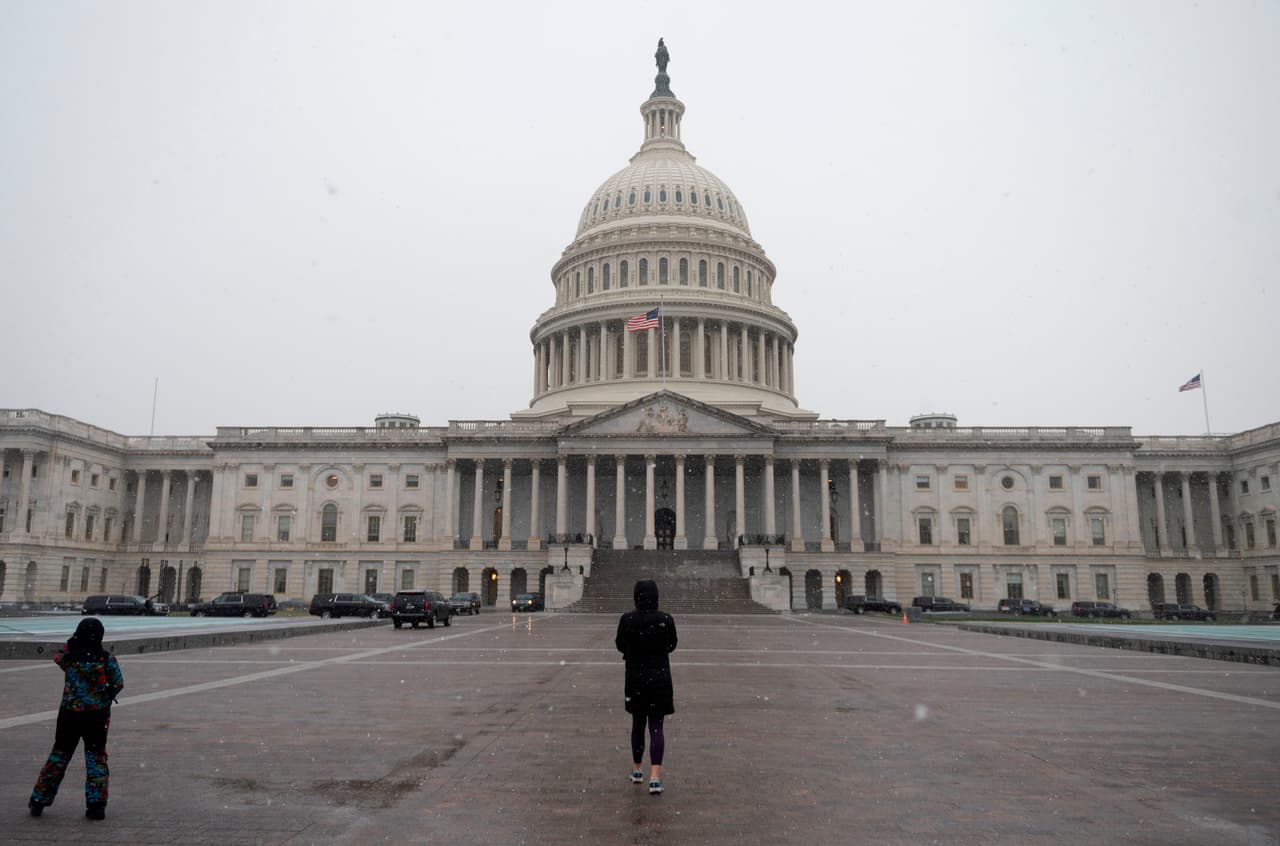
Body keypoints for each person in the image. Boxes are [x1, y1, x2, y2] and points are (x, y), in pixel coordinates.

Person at [28, 616, 124, 820]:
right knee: (96, 758)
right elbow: (118, 683)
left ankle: (39, 799)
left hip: (70, 715)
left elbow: (58, 655)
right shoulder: (105, 659)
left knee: (59, 756)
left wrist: (73, 642)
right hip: (97, 716)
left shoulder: (70, 659)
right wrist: (106, 696)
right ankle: (96, 805)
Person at [615, 579, 678, 795]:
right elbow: (672, 645)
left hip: (636, 678)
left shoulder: (628, 619)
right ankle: (655, 777)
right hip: (660, 677)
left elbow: (620, 644)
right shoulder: (666, 619)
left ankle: (637, 770)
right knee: (657, 727)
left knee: (638, 725)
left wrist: (635, 649)